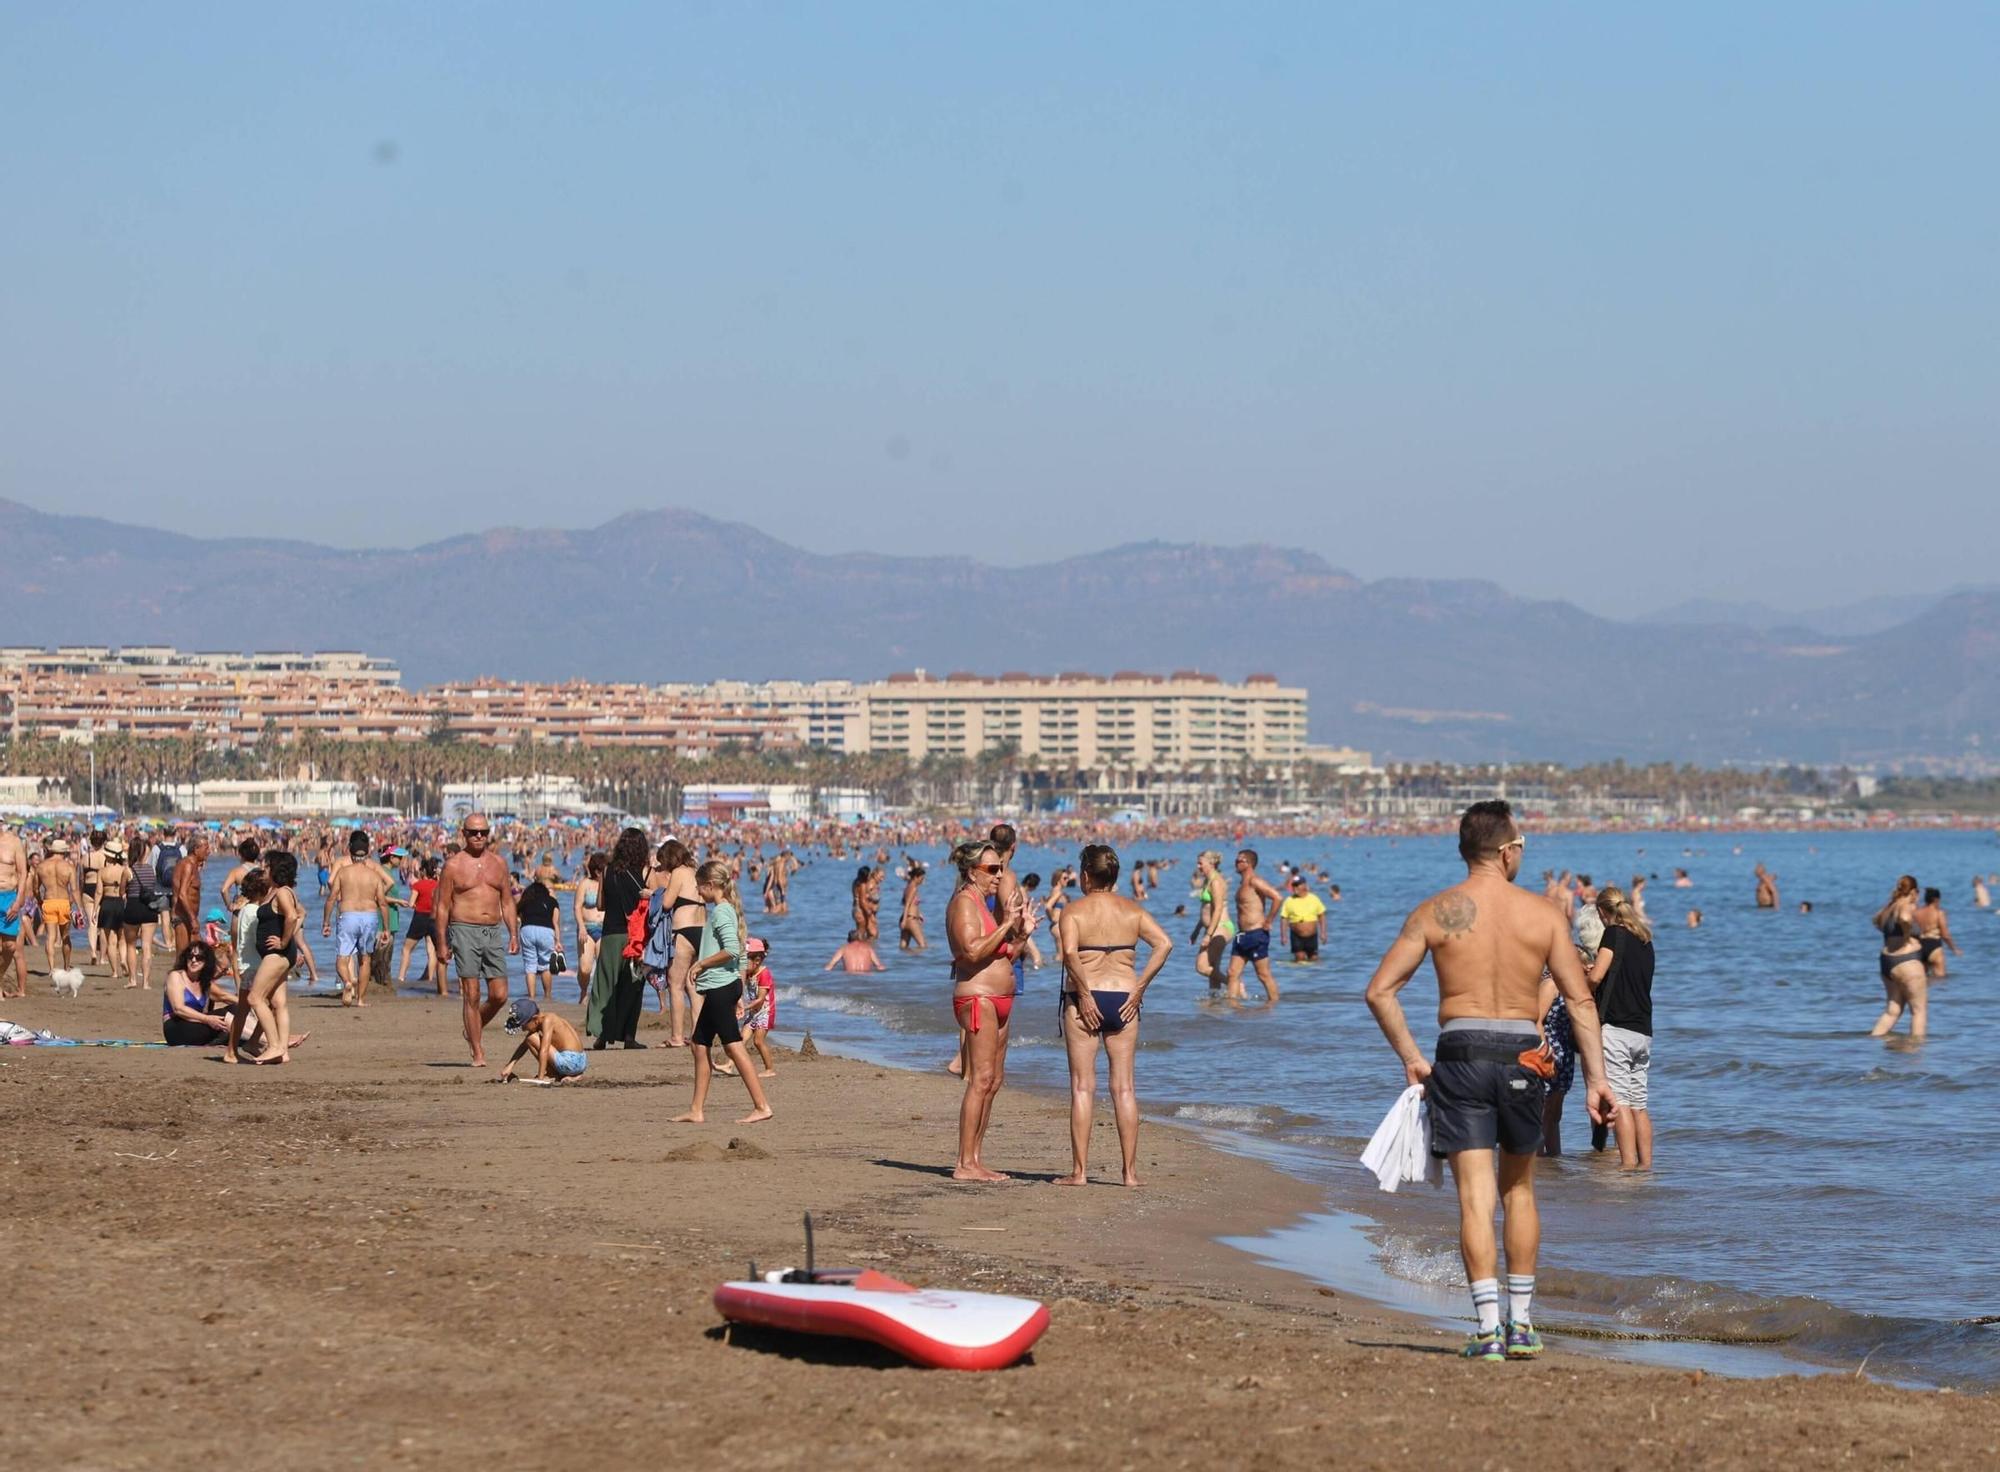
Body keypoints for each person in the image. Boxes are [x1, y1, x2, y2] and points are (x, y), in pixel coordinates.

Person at [1364, 800, 1614, 1362]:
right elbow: (1578, 998)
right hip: (1524, 1056)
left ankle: (1487, 1330)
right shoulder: (1544, 914)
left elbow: (1380, 991)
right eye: (1522, 845)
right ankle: (1522, 1326)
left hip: (1460, 1052)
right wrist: (1598, 1080)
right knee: (1519, 1190)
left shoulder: (1437, 910)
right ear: (1507, 851)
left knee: (1475, 1200)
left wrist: (1411, 1057)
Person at [1054, 844, 1171, 1188]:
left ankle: (1079, 1173)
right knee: (1124, 1089)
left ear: (1086, 875)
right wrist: (1139, 988)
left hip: (1084, 999)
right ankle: (1130, 1174)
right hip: (1124, 999)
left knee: (1082, 1088)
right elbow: (1164, 943)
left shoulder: (1073, 911)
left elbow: (1069, 955)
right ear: (1115, 876)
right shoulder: (1132, 911)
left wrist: (1086, 995)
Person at [948, 839, 1028, 1182]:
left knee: (994, 1081)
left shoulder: (982, 902)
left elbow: (1002, 953)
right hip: (978, 999)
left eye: (1001, 869)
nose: (998, 876)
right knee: (980, 1080)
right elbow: (971, 952)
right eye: (992, 869)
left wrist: (1022, 935)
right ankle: (964, 1164)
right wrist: (1007, 924)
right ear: (972, 871)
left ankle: (976, 1158)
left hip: (999, 999)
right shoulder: (964, 903)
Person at [672, 860, 773, 1124]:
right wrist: (738, 991)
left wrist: (701, 963)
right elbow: (740, 956)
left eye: (699, 887)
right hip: (724, 987)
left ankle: (762, 1106)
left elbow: (730, 950)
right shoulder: (726, 910)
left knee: (734, 1048)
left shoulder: (721, 912)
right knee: (698, 1045)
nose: (697, 892)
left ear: (711, 885)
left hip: (719, 988)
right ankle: (696, 1110)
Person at [434, 814, 521, 1067]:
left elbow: (507, 900)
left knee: (500, 995)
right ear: (464, 834)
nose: (479, 836)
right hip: (463, 929)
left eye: (483, 832)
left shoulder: (499, 863)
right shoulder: (453, 865)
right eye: (473, 832)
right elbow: (442, 907)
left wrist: (513, 933)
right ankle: (477, 1050)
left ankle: (472, 1028)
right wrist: (442, 942)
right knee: (471, 993)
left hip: (493, 930)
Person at [1584, 886, 1655, 1170]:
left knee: (1621, 1102)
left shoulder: (1613, 933)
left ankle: (1627, 1168)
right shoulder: (1646, 940)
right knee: (1639, 1103)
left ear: (1603, 912)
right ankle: (1645, 1167)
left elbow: (1598, 975)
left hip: (1617, 1029)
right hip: (1644, 1030)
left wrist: (1584, 983)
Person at [226, 850, 304, 1065]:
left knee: (255, 998)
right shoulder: (276, 892)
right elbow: (298, 914)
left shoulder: (282, 893)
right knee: (278, 1002)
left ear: (276, 869)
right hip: (275, 954)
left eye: (267, 866)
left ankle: (275, 1046)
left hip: (277, 954)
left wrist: (284, 941)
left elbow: (292, 916)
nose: (263, 869)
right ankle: (282, 1052)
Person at [584, 827, 648, 1050]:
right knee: (633, 985)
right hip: (636, 936)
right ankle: (629, 1037)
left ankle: (601, 1035)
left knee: (605, 985)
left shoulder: (608, 870)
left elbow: (601, 904)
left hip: (611, 933)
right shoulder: (644, 872)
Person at [322, 830, 391, 1007]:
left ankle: (346, 982)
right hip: (369, 916)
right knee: (365, 959)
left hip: (348, 915)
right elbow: (383, 903)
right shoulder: (374, 874)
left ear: (350, 851)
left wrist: (326, 922)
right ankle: (360, 1000)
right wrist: (386, 929)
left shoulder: (343, 872)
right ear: (367, 852)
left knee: (342, 958)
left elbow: (331, 898)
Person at [655, 839, 703, 1049]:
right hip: (702, 930)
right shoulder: (695, 872)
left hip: (683, 930)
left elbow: (667, 903)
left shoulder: (679, 873)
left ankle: (676, 1036)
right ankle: (697, 1034)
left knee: (675, 984)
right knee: (694, 986)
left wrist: (655, 895)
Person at [1871, 875, 1928, 1042]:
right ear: (1914, 892)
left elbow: (1876, 921)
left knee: (1893, 1011)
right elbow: (1904, 918)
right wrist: (1907, 933)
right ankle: (1917, 1055)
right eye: (1918, 893)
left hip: (1887, 962)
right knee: (1919, 1010)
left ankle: (1870, 1044)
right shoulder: (1907, 905)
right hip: (1907, 961)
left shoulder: (1889, 907)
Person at [1225, 849, 1284, 1002]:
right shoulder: (1241, 883)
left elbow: (1277, 897)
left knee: (1263, 975)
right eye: (1236, 860)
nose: (1236, 863)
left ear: (1249, 863)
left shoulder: (1255, 881)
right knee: (1232, 973)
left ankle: (1273, 1005)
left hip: (1256, 933)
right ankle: (1233, 1007)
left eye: (1240, 860)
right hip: (1242, 935)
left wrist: (1269, 921)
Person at [497, 997, 587, 1083]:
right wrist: (510, 1065)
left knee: (530, 1038)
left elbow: (544, 1050)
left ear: (535, 1019)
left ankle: (553, 1073)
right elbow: (523, 1046)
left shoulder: (547, 1021)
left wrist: (540, 1078)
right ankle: (573, 1075)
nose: (524, 1030)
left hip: (570, 1062)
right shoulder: (552, 1018)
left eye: (524, 1026)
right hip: (582, 1061)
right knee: (529, 1039)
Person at [33, 837, 80, 980]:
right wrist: (79, 908)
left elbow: (35, 889)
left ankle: (52, 968)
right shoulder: (68, 867)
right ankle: (66, 966)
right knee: (65, 937)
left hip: (49, 901)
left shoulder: (41, 866)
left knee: (50, 937)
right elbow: (75, 890)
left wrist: (40, 901)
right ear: (64, 852)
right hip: (64, 902)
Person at [516, 873, 563, 1002]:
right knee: (545, 965)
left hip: (527, 930)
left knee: (530, 966)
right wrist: (558, 941)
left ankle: (531, 997)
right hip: (546, 931)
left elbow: (517, 915)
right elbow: (555, 923)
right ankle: (547, 996)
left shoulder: (525, 901)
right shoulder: (552, 901)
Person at [1191, 850, 1234, 989]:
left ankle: (1235, 985)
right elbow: (1206, 908)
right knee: (1213, 970)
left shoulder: (1216, 882)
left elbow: (1218, 909)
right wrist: (1197, 931)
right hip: (1212, 928)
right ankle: (1214, 1004)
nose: (1198, 866)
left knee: (1202, 967)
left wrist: (1208, 935)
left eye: (1200, 863)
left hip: (1220, 927)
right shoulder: (1207, 880)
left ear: (1211, 863)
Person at [398, 857, 442, 991]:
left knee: (406, 949)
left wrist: (412, 904)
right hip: (435, 919)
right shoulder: (438, 885)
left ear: (423, 872)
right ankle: (430, 978)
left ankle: (401, 977)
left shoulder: (418, 885)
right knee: (433, 951)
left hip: (419, 918)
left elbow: (411, 903)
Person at [739, 936, 777, 1077]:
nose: (741, 964)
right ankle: (729, 1065)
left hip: (765, 1012)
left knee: (758, 1041)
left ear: (757, 961)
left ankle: (769, 1069)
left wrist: (743, 1008)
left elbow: (760, 1000)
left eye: (744, 961)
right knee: (740, 1040)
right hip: (753, 1012)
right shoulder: (749, 973)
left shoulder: (764, 974)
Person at [571, 852, 605, 1004]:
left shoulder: (608, 884)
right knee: (585, 968)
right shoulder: (585, 884)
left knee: (603, 968)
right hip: (587, 929)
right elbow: (577, 907)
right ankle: (584, 990)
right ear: (597, 870)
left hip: (604, 928)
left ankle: (598, 998)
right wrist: (581, 927)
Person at [166, 832, 208, 952]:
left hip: (189, 917)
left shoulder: (193, 865)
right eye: (206, 848)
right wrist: (193, 919)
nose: (209, 851)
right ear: (196, 849)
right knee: (183, 958)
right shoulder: (187, 865)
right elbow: (182, 894)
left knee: (197, 955)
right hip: (183, 917)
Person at [0, 824, 27, 1001]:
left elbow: (23, 873)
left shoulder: (14, 842)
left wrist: (18, 902)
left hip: (9, 897)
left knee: (10, 947)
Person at [1279, 874, 1326, 964]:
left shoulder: (1314, 899)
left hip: (1312, 936)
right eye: (1294, 885)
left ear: (1304, 885)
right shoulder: (1289, 900)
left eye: (1297, 885)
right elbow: (1284, 918)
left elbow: (1322, 915)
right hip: (1297, 936)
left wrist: (1323, 933)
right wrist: (1283, 936)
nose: (1295, 888)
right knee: (1299, 961)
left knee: (1314, 960)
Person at [1914, 887, 1960, 979]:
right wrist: (1954, 948)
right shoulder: (1939, 913)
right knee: (1941, 979)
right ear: (1936, 899)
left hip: (1919, 947)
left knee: (1923, 981)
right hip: (1934, 946)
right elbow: (1945, 935)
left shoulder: (1916, 913)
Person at [899, 861, 928, 951]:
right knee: (923, 947)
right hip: (911, 920)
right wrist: (904, 920)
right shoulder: (914, 888)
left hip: (907, 918)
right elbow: (907, 904)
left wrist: (919, 914)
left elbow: (910, 903)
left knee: (903, 948)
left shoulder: (908, 886)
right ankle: (915, 959)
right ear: (916, 877)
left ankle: (904, 964)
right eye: (921, 878)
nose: (922, 881)